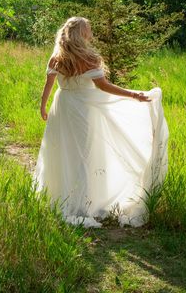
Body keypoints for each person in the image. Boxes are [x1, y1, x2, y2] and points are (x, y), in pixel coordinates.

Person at [33, 17, 169, 228]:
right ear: (81, 34)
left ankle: (64, 197)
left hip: (63, 106)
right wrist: (133, 95)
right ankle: (83, 205)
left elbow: (49, 85)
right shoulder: (89, 58)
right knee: (85, 154)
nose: (92, 34)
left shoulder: (56, 58)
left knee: (63, 152)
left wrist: (43, 106)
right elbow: (104, 86)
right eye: (89, 30)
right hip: (82, 110)